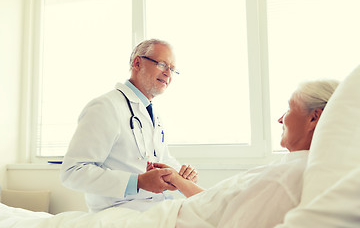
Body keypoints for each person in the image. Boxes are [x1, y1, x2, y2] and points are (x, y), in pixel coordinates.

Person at [149, 79, 339, 227]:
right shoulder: (295, 166)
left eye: (289, 108)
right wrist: (176, 179)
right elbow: (220, 206)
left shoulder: (286, 177)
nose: (280, 119)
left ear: (314, 118)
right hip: (170, 214)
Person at [60, 39, 198, 212]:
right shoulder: (105, 106)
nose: (168, 74)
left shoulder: (151, 113)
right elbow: (72, 172)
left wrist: (181, 174)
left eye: (172, 69)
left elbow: (161, 159)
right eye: (162, 65)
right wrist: (138, 182)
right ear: (137, 63)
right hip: (121, 213)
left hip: (157, 208)